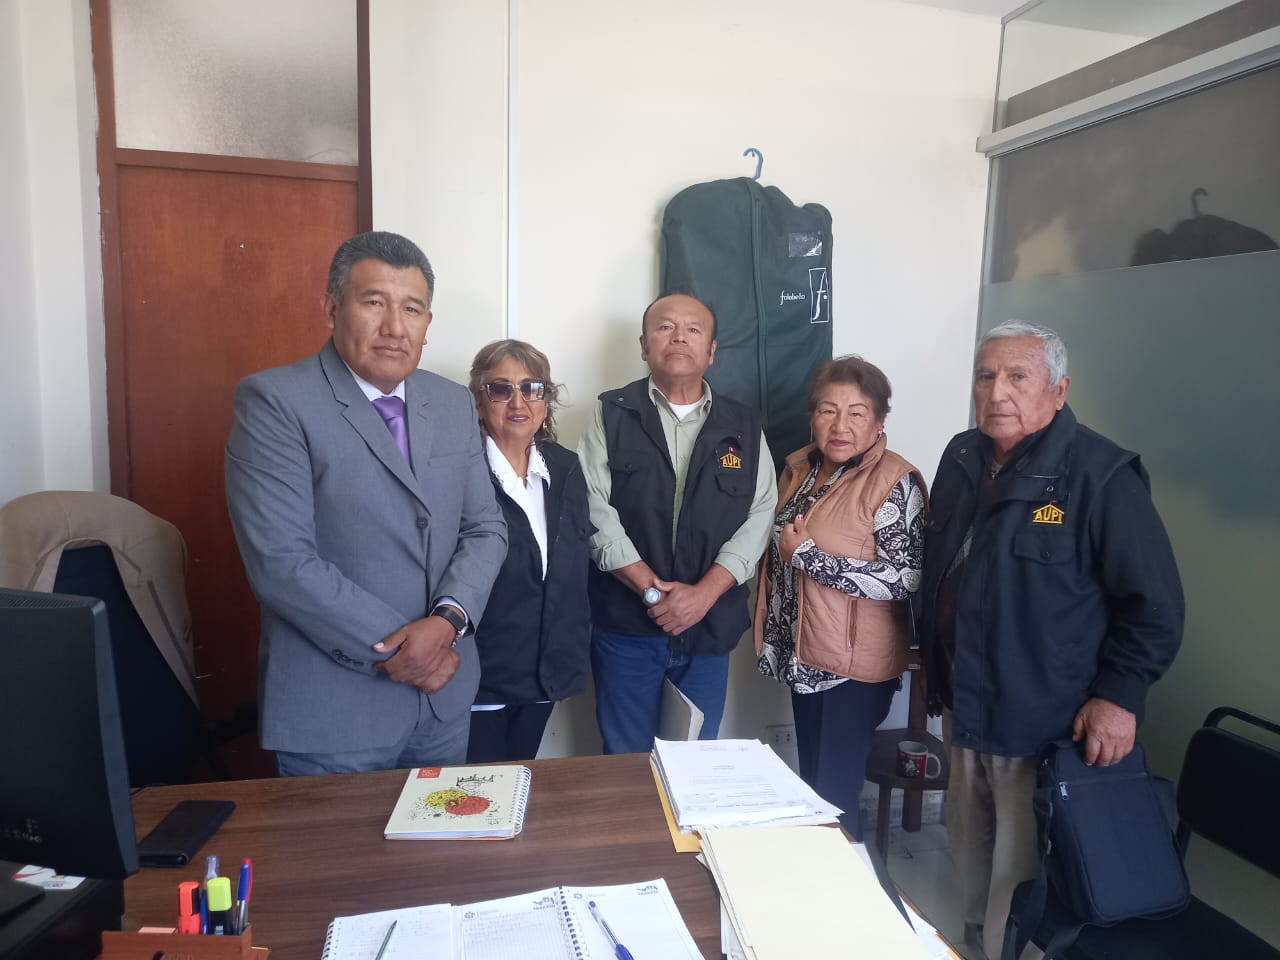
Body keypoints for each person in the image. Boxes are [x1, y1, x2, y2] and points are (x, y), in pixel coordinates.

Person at [917, 319, 1183, 958]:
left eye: (1018, 376)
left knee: (1022, 865)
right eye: (986, 376)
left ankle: (1012, 950)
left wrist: (1119, 697)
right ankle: (974, 942)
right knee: (968, 842)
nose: (997, 392)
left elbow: (1154, 606)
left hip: (1042, 715)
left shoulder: (1101, 475)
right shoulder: (963, 455)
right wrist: (931, 661)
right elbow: (943, 568)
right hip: (965, 699)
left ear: (1058, 391)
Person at [224, 231, 507, 777]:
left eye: (412, 309)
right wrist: (408, 650)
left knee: (443, 837)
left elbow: (485, 529)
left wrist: (447, 622)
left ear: (427, 322)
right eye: (374, 302)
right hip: (337, 711)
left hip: (444, 704)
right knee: (337, 841)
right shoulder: (275, 401)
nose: (395, 327)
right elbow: (282, 563)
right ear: (331, 309)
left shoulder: (451, 402)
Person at [579, 292, 776, 753]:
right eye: (665, 327)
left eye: (693, 329)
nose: (679, 337)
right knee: (625, 760)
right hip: (626, 626)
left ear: (711, 350)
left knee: (694, 762)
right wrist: (652, 592)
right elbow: (592, 506)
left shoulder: (743, 425)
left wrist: (703, 595)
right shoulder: (611, 412)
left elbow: (761, 513)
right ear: (644, 345)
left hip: (709, 626)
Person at [755, 356, 926, 840]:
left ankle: (846, 879)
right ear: (813, 416)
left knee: (834, 797)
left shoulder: (894, 481)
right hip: (807, 656)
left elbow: (905, 578)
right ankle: (818, 873)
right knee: (814, 788)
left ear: (879, 421)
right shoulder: (801, 468)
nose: (840, 425)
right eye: (828, 410)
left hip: (851, 670)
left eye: (856, 412)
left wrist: (812, 557)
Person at [465, 339, 593, 763]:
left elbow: (572, 572)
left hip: (545, 671)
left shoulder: (565, 467)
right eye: (501, 389)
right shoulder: (460, 470)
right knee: (477, 789)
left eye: (532, 388)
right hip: (480, 674)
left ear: (546, 399)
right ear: (479, 400)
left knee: (521, 777)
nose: (518, 401)